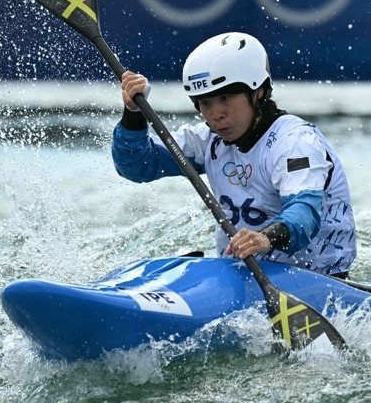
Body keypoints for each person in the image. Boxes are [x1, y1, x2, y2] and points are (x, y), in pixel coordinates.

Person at [111, 32, 357, 277]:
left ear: (258, 91)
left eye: (225, 98)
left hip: (317, 280)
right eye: (205, 103)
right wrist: (133, 113)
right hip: (240, 275)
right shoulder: (208, 141)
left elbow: (304, 215)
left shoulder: (295, 142)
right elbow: (136, 165)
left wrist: (264, 238)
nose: (215, 114)